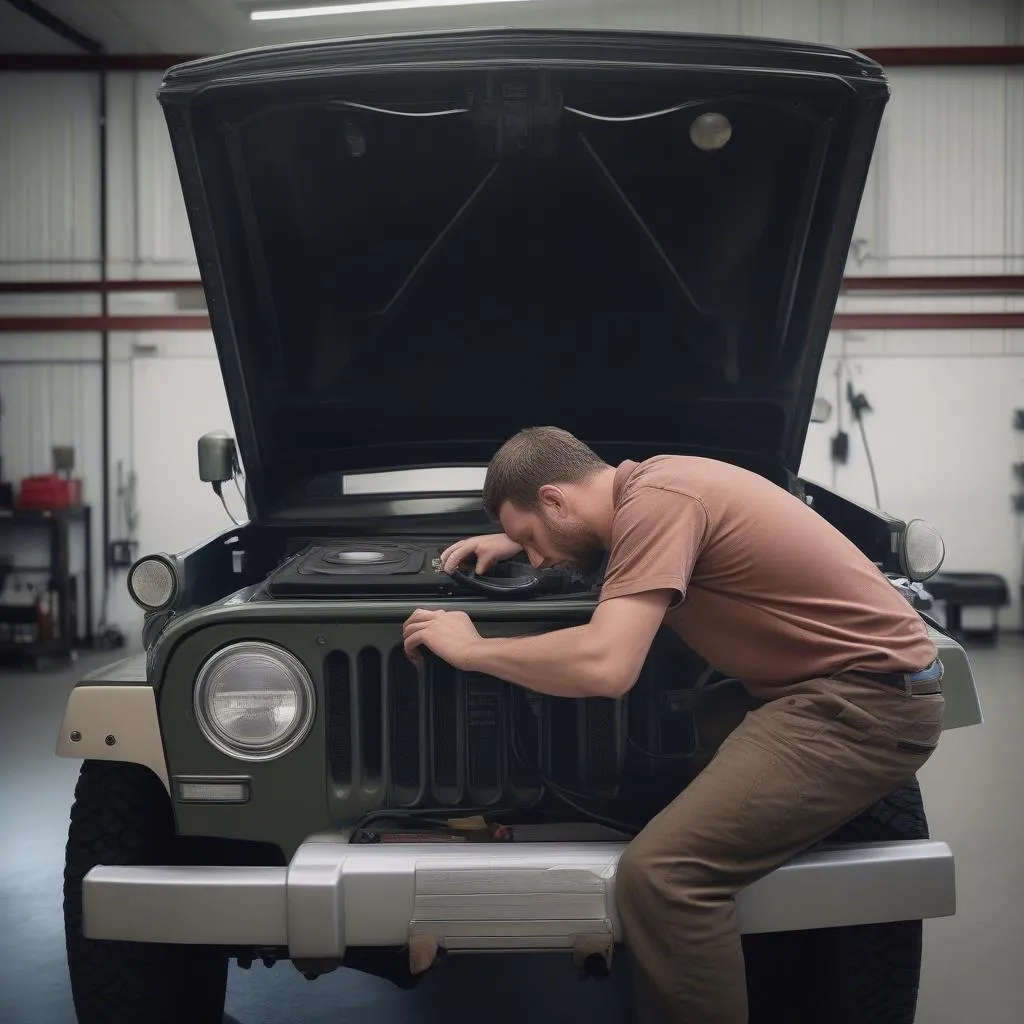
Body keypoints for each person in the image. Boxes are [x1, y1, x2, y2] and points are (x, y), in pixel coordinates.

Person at [401, 426, 945, 1024]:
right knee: (662, 757)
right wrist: (518, 541)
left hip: (861, 705)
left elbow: (607, 666)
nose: (533, 557)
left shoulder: (661, 502)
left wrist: (475, 650)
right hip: (817, 691)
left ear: (555, 500)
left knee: (662, 878)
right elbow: (603, 543)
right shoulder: (658, 487)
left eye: (531, 538)